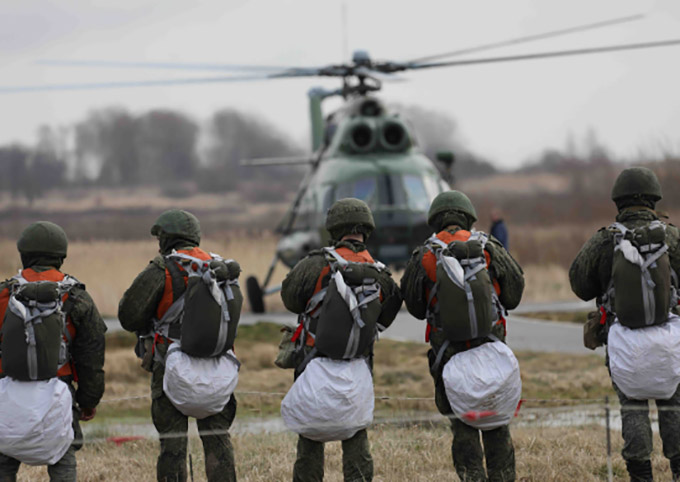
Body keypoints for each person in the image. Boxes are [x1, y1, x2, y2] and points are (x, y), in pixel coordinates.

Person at [401, 190, 524, 482]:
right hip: (492, 351)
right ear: (468, 217)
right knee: (497, 426)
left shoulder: (425, 255)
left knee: (463, 430)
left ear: (435, 221)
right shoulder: (489, 246)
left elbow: (416, 308)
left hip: (449, 357)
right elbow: (514, 294)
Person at [570, 167, 680, 482]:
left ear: (618, 200)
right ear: (653, 197)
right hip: (669, 340)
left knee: (632, 406)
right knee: (673, 403)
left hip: (624, 341)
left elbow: (579, 284)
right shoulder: (670, 236)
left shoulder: (605, 239)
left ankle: (641, 475)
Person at [280, 198, 402, 482]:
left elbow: (290, 299)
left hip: (313, 366)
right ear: (366, 231)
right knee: (357, 439)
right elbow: (385, 318)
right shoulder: (381, 274)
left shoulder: (315, 264)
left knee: (309, 442)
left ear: (333, 229)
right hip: (357, 371)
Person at [118, 209, 242, 482]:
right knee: (218, 442)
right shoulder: (220, 267)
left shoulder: (161, 268)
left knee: (173, 447)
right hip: (218, 366)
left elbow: (128, 316)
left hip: (170, 366)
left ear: (166, 239)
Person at [0, 221, 106, 482]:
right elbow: (91, 355)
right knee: (63, 458)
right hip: (59, 391)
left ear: (24, 254)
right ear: (61, 256)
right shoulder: (77, 297)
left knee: (3, 462)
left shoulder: (4, 294)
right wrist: (89, 401)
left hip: (6, 393)